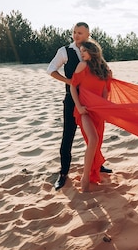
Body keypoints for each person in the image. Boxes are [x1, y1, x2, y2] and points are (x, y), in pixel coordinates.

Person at [46, 22, 111, 191]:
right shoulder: (64, 51)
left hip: (93, 101)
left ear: (88, 34)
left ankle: (97, 165)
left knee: (95, 135)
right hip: (72, 100)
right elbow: (51, 70)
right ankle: (63, 173)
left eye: (80, 33)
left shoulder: (92, 51)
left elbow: (103, 75)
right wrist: (69, 82)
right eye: (74, 32)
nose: (76, 35)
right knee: (68, 136)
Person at [69, 40, 112, 192]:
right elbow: (73, 86)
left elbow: (106, 90)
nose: (81, 54)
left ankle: (94, 171)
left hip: (98, 111)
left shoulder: (105, 70)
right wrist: (79, 107)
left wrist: (104, 107)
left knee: (96, 143)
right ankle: (85, 177)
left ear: (92, 51)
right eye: (80, 51)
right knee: (93, 140)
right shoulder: (82, 66)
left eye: (84, 51)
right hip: (84, 110)